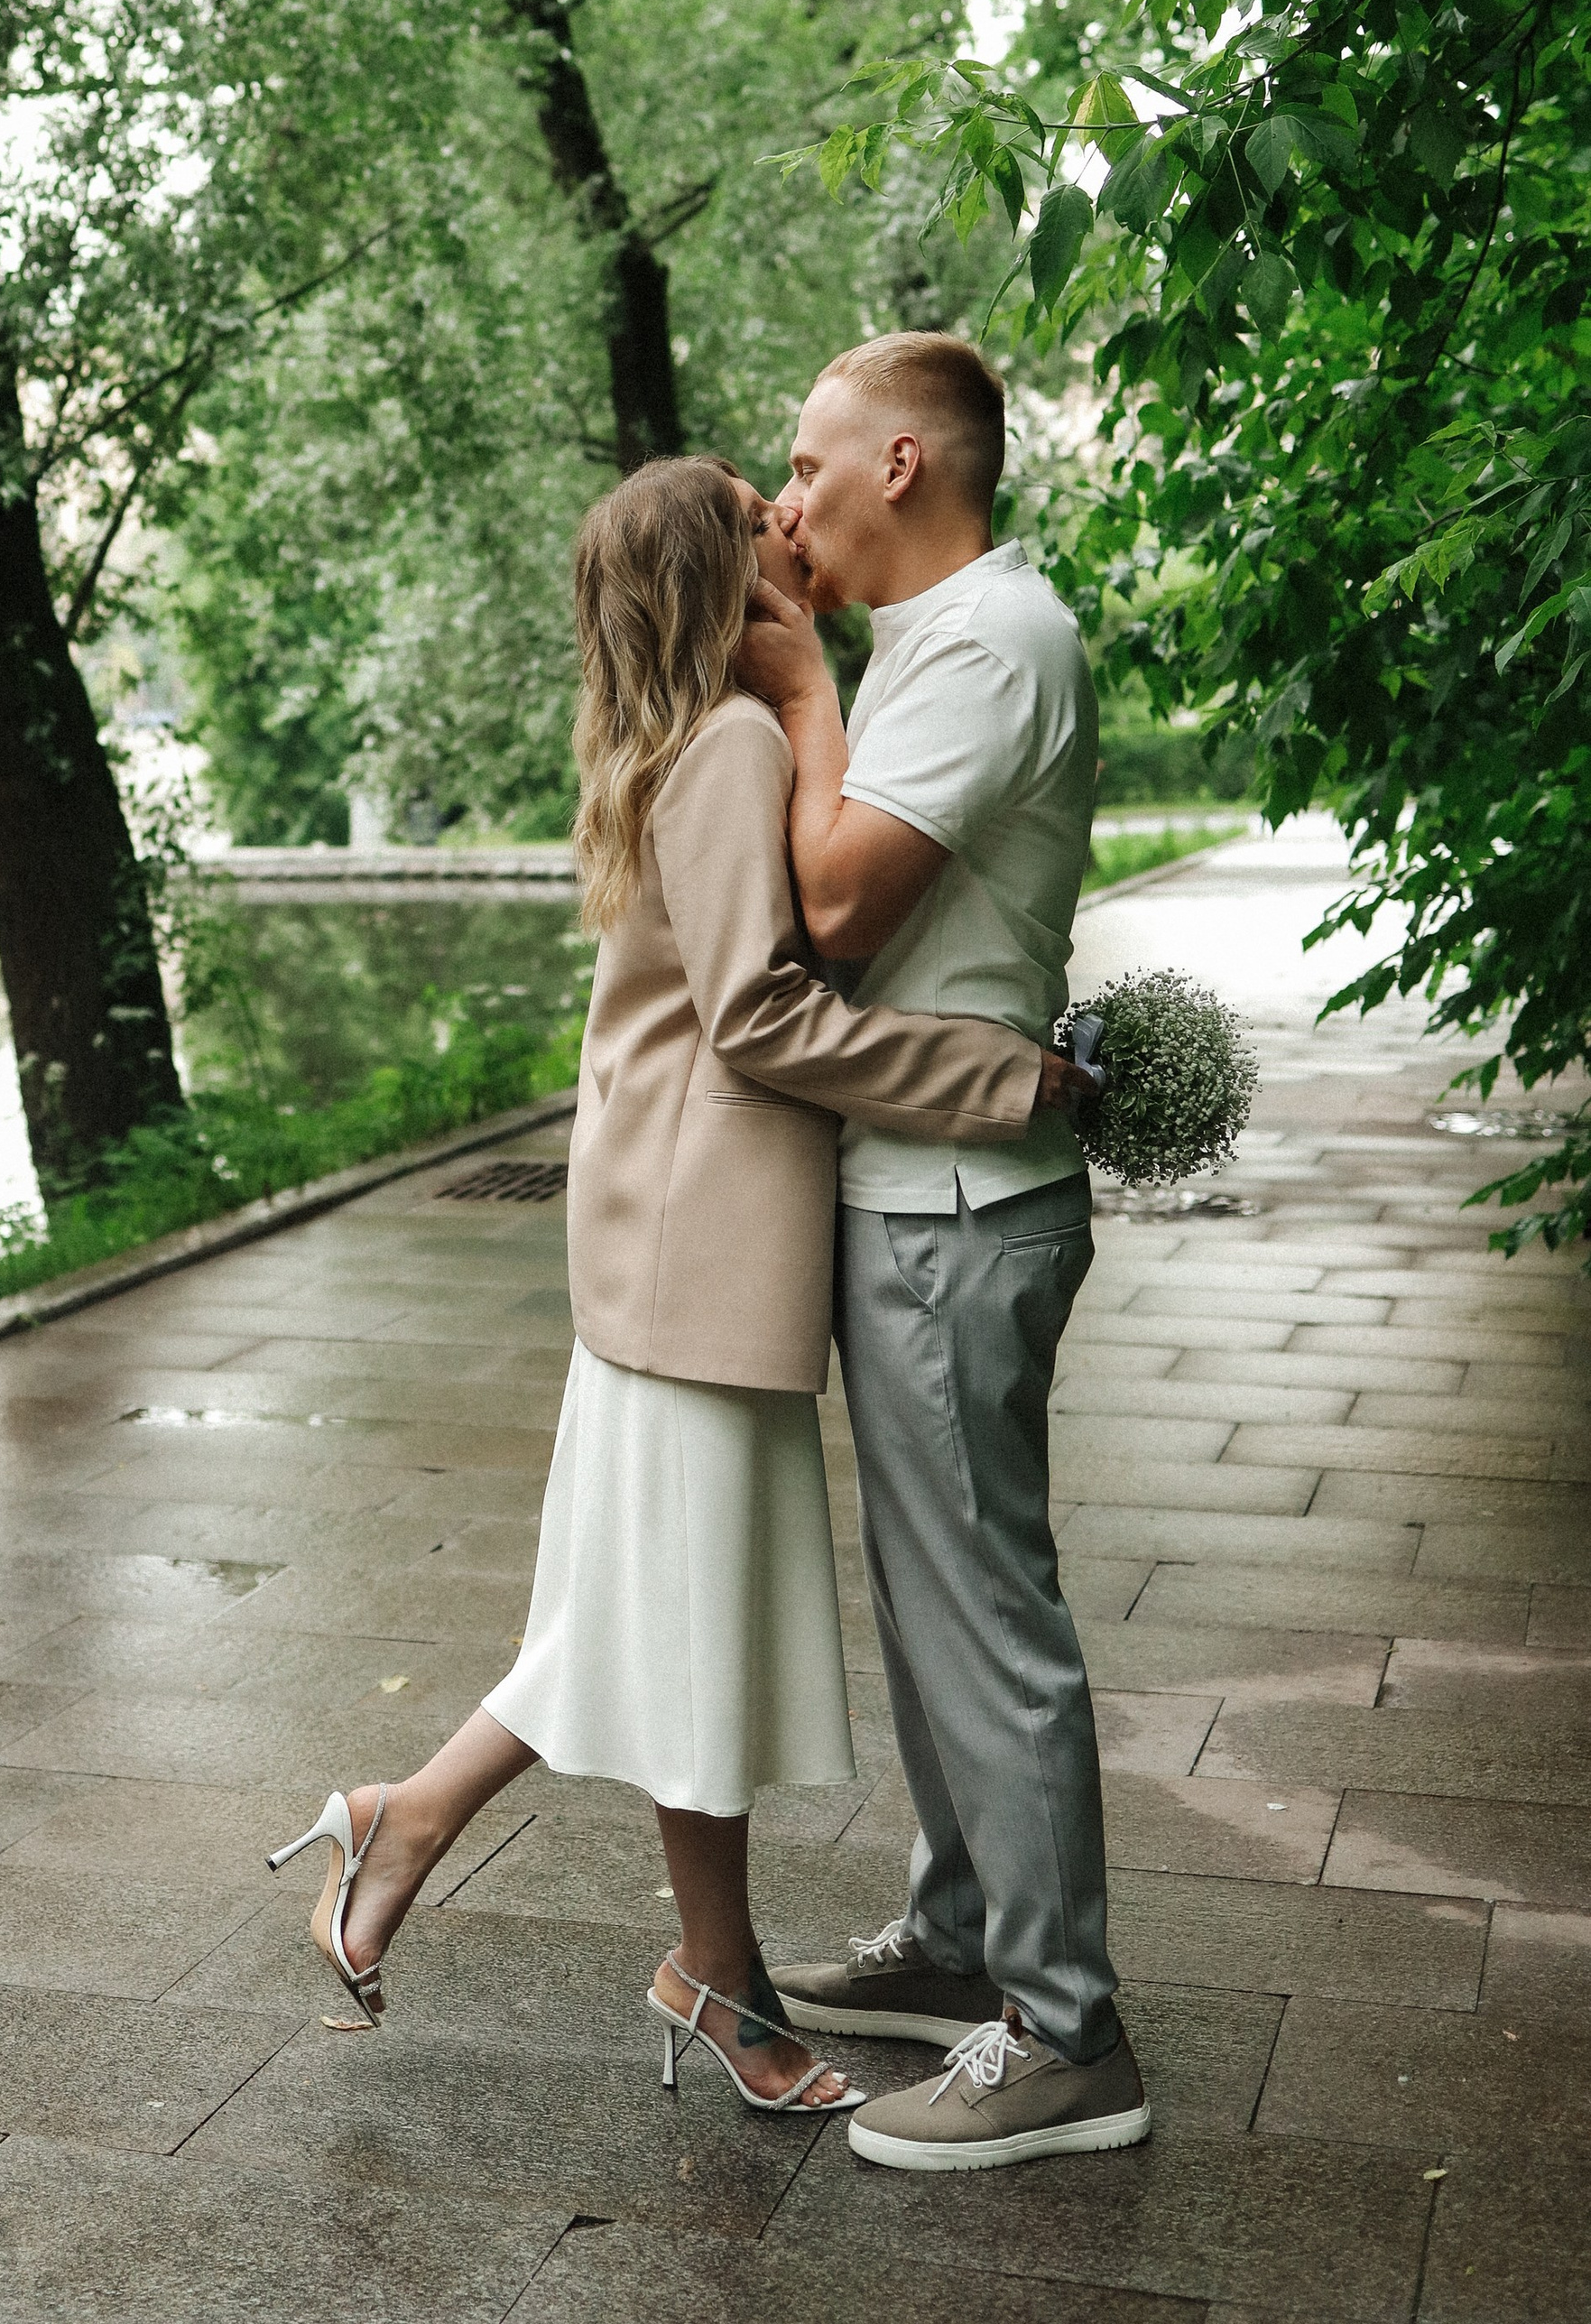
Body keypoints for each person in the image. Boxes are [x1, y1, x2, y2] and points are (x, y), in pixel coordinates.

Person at [268, 456, 1102, 2116]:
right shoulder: (726, 746)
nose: (788, 512)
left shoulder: (699, 735)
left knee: (647, 1624)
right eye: (757, 507)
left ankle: (487, 1863)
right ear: (718, 577)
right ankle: (526, 1883)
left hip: (682, 1255)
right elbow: (771, 1014)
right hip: (698, 1262)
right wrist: (1005, 1076)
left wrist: (808, 702)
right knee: (659, 1626)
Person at [739, 331, 1152, 2170]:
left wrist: (797, 679)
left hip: (955, 1213)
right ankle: (969, 1928)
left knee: (981, 1614)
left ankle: (1065, 2031)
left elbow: (828, 904)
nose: (785, 488)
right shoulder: (939, 642)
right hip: (912, 1192)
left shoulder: (986, 638)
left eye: (809, 457)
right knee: (928, 1612)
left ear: (900, 461)